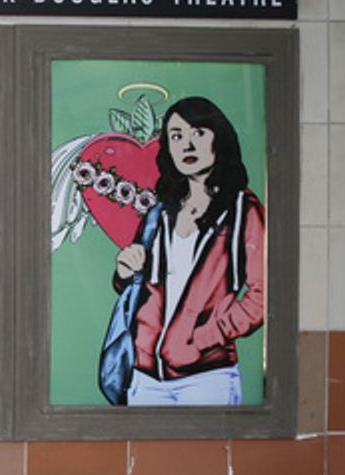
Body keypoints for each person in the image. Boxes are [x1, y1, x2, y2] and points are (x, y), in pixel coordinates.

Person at [111, 96, 265, 406]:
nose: (187, 145)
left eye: (199, 133)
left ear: (218, 138)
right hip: (145, 374)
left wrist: (203, 339)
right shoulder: (160, 213)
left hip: (207, 377)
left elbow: (264, 294)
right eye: (177, 136)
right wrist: (124, 272)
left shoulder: (241, 210)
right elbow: (138, 288)